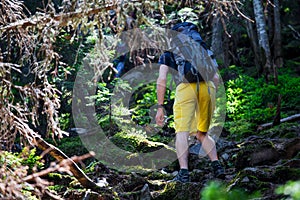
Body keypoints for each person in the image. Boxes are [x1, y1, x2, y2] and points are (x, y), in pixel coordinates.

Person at [155, 24, 225, 183]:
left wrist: (160, 106)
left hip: (185, 88)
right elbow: (215, 77)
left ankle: (184, 172)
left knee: (182, 132)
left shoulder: (170, 51)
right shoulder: (202, 47)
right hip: (208, 87)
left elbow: (162, 79)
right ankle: (217, 166)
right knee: (202, 133)